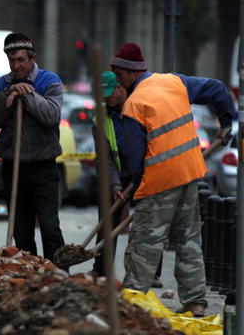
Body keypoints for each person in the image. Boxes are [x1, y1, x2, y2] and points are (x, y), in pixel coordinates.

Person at [111, 42, 235, 317]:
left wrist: (137, 188)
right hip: (189, 172)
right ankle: (196, 302)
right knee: (188, 238)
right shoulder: (173, 81)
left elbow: (135, 156)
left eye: (119, 76)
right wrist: (227, 121)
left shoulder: (134, 105)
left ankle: (132, 303)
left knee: (144, 241)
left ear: (132, 73)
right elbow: (217, 88)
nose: (119, 81)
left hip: (159, 180)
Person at [0, 32, 65, 262]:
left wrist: (28, 95)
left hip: (43, 167)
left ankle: (58, 275)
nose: (16, 65)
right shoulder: (1, 85)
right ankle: (29, 277)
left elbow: (51, 115)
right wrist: (9, 93)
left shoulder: (50, 81)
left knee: (49, 227)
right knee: (21, 230)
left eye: (20, 60)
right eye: (12, 60)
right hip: (13, 166)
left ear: (32, 58)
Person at [90, 70, 131, 275]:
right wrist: (115, 185)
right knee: (107, 220)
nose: (106, 98)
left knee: (146, 224)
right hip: (117, 172)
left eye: (108, 92)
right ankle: (101, 270)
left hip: (143, 172)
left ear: (119, 87)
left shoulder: (136, 107)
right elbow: (104, 158)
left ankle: (150, 273)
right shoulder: (100, 118)